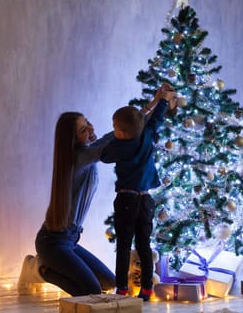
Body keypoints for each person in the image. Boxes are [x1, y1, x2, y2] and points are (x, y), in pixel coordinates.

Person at [19, 112, 116, 296]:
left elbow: (107, 139)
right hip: (53, 242)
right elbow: (115, 138)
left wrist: (154, 105)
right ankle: (39, 269)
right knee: (91, 291)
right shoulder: (80, 157)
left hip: (71, 239)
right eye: (83, 129)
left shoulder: (85, 152)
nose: (89, 128)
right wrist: (149, 112)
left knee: (109, 283)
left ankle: (49, 264)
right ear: (74, 139)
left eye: (87, 122)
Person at [100, 83, 176, 301]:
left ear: (121, 132)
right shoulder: (148, 137)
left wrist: (115, 138)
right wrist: (161, 100)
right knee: (144, 244)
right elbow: (157, 119)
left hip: (127, 199)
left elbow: (104, 156)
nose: (113, 130)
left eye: (114, 127)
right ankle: (146, 289)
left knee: (124, 244)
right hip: (146, 201)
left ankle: (122, 288)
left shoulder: (120, 146)